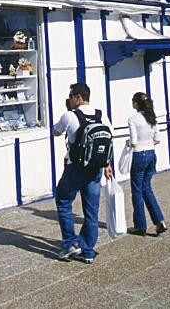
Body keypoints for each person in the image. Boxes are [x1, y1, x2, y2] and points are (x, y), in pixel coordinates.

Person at [51, 82, 112, 264]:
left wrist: (67, 113)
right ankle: (87, 251)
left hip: (76, 168)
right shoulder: (102, 116)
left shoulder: (69, 116)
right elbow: (108, 140)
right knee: (91, 211)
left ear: (78, 97)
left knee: (63, 200)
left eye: (71, 97)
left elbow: (55, 131)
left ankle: (70, 243)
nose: (69, 100)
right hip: (96, 168)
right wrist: (107, 164)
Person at [126, 92, 167, 236]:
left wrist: (129, 144)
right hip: (151, 154)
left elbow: (134, 141)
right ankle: (159, 221)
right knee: (147, 188)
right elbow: (157, 139)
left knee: (136, 191)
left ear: (136, 103)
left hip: (139, 155)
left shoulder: (133, 119)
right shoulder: (152, 118)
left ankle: (140, 226)